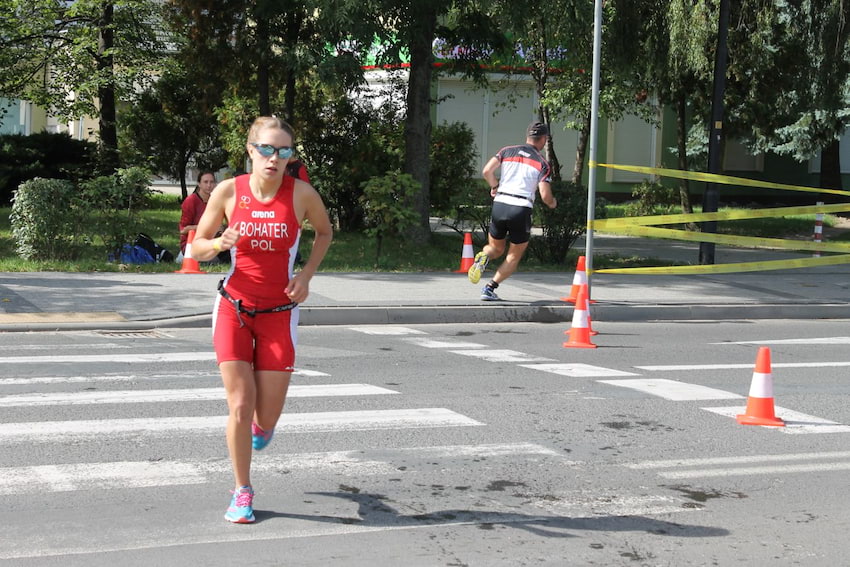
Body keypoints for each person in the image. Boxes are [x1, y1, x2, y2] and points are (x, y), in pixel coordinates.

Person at [191, 116, 333, 524]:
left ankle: (262, 428)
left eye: (283, 150)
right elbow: (196, 246)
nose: (274, 158)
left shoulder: (302, 194)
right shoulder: (227, 191)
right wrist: (220, 242)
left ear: (291, 156)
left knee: (265, 419)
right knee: (240, 404)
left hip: (279, 313)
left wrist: (305, 276)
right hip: (234, 308)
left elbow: (324, 233)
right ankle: (242, 490)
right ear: (251, 150)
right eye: (267, 149)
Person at [468, 121, 558, 301]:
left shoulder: (507, 150)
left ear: (528, 136)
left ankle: (483, 257)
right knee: (513, 256)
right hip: (520, 209)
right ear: (544, 139)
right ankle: (489, 288)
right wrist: (552, 203)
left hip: (500, 204)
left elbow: (486, 171)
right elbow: (545, 195)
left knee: (495, 248)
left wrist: (495, 186)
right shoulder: (542, 163)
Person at [178, 171, 216, 255]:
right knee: (212, 259)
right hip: (192, 243)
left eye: (211, 182)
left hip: (212, 241)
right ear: (199, 184)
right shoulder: (191, 201)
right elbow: (183, 230)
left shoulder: (215, 201)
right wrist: (207, 228)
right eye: (205, 182)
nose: (209, 185)